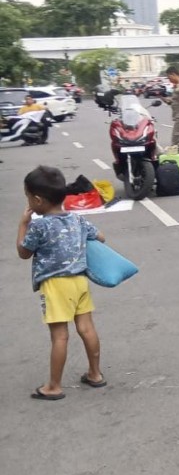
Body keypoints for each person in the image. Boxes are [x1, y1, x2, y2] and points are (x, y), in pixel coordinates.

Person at [16, 166, 107, 401]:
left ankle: (54, 386)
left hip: (56, 285)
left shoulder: (39, 225)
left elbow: (24, 253)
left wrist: (23, 224)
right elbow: (101, 237)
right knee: (87, 328)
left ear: (37, 200)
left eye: (28, 197)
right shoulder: (77, 219)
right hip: (80, 281)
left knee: (59, 336)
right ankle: (95, 373)